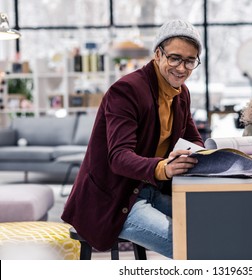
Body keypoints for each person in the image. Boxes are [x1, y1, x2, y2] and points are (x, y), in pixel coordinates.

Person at [61, 19, 204, 259]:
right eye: (175, 58)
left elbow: (194, 139)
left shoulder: (181, 93)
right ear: (158, 54)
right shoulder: (126, 91)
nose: (182, 68)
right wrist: (164, 167)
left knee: (211, 225)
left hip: (147, 189)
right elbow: (119, 157)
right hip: (113, 201)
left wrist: (191, 154)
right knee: (192, 246)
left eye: (190, 61)